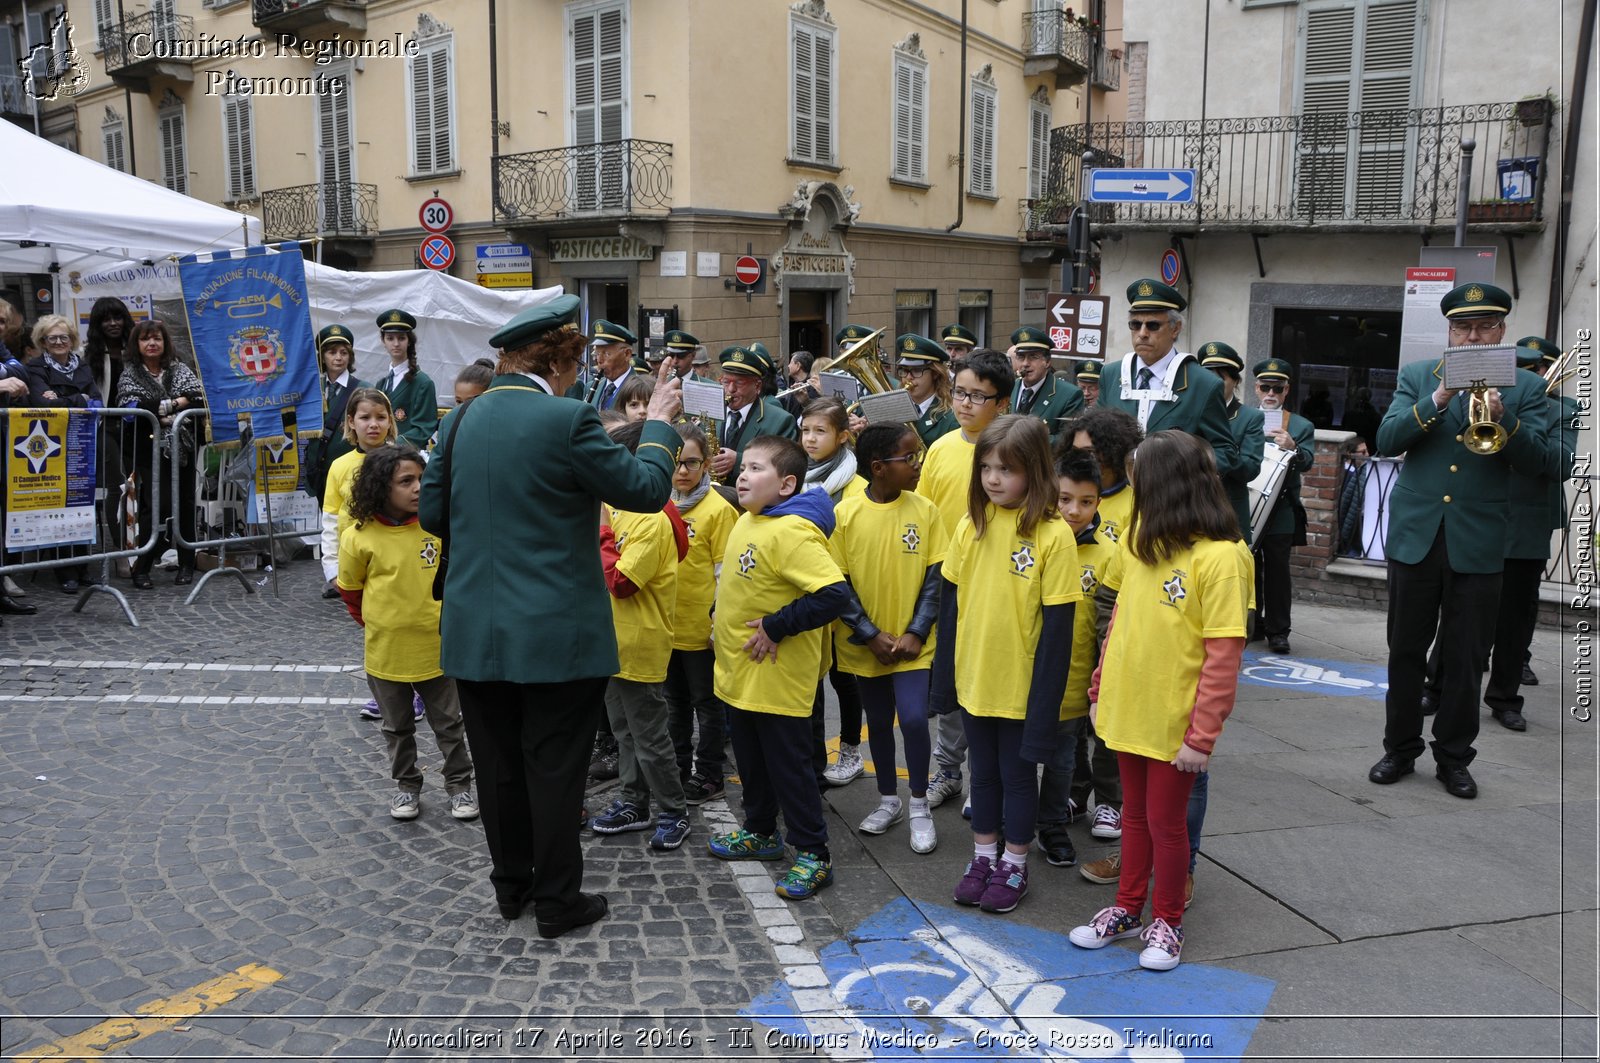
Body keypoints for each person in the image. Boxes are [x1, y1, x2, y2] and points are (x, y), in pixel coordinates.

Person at [419, 294, 683, 937]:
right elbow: (646, 490)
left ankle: (511, 888)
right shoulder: (567, 419)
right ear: (563, 365)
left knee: (499, 766)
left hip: (476, 629)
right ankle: (558, 901)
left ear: (507, 361)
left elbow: (431, 516)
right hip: (554, 633)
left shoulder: (458, 421)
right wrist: (662, 425)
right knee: (554, 767)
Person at [1068, 430, 1250, 972]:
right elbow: (1120, 620)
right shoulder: (1140, 539)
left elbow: (1223, 656)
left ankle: (1166, 920)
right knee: (1135, 819)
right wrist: (1100, 689)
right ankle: (1126, 908)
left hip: (1174, 720)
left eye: (1139, 477)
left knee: (1167, 824)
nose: (1127, 487)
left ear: (1164, 485)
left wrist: (1202, 735)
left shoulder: (1223, 558)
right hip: (1128, 706)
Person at [1368, 282, 1550, 800]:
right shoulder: (1418, 377)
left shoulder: (1527, 389)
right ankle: (1400, 748)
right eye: (1463, 327)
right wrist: (1439, 397)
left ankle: (1454, 758)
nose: (1473, 336)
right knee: (1404, 651)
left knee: (1468, 658)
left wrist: (1504, 416)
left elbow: (1539, 461)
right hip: (1416, 537)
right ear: (1449, 331)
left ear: (1502, 332)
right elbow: (1386, 440)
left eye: (1485, 326)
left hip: (1481, 540)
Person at [931, 415, 1079, 913]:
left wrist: (1045, 703)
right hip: (975, 679)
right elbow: (949, 608)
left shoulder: (1053, 536)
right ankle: (983, 856)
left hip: (1021, 686)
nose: (993, 479)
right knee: (983, 776)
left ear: (1035, 471)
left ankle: (1015, 864)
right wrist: (944, 681)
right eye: (986, 467)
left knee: (1018, 778)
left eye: (1007, 469)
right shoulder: (970, 523)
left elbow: (1058, 630)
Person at [707, 436, 852, 901]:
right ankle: (761, 831)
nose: (743, 476)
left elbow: (833, 594)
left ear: (787, 484)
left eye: (756, 469)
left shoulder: (790, 531)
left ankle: (813, 853)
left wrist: (776, 625)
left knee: (789, 768)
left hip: (777, 680)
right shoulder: (750, 519)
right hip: (739, 675)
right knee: (751, 762)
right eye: (743, 467)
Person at [337, 443, 478, 823]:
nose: (418, 488)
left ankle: (459, 785)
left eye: (422, 479)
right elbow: (351, 592)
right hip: (386, 651)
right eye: (406, 481)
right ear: (382, 487)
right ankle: (406, 786)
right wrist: (380, 624)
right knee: (397, 727)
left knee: (449, 725)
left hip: (437, 647)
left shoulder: (438, 527)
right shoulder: (359, 536)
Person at [831, 422, 947, 852]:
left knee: (914, 718)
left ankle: (919, 802)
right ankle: (887, 799)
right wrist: (869, 633)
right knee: (877, 722)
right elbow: (838, 584)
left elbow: (936, 577)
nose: (918, 465)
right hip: (869, 644)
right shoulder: (845, 515)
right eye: (909, 458)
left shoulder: (926, 510)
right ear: (879, 467)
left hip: (913, 644)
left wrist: (917, 631)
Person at [915, 349, 1014, 812]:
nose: (965, 403)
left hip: (1002, 584)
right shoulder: (940, 448)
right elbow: (927, 515)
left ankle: (985, 779)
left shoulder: (1017, 450)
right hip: (951, 579)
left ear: (1002, 403)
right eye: (960, 393)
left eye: (979, 396)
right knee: (949, 680)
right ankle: (948, 769)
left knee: (992, 681)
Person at [591, 420, 693, 850]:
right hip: (610, 641)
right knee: (623, 731)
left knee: (650, 737)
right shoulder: (616, 506)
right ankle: (633, 799)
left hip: (639, 642)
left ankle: (673, 809)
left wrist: (599, 531)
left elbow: (621, 581)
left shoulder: (651, 518)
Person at [1482, 336, 1576, 730]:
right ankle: (1438, 685)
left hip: (1525, 522)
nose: (1520, 376)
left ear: (1543, 373)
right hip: (1479, 517)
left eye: (1530, 369)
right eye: (1513, 368)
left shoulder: (1563, 410)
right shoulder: (1479, 402)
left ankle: (1505, 696)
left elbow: (1560, 463)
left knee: (1516, 615)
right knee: (1458, 611)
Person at [1035, 447, 1112, 869]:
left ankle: (1051, 826)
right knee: (1023, 758)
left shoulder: (1108, 555)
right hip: (1026, 678)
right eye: (1064, 499)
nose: (1073, 510)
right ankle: (1015, 825)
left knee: (1063, 760)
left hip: (1073, 682)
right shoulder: (1035, 541)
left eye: (1085, 502)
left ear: (1099, 502)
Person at [1095, 279, 1240, 481]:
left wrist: (1183, 470)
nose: (1142, 334)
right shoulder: (1111, 374)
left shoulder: (1203, 384)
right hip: (1116, 499)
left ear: (1175, 328)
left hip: (1173, 501)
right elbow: (1096, 435)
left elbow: (1225, 451)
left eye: (1153, 325)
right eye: (1135, 325)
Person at [664, 420, 737, 804]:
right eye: (676, 463)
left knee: (706, 705)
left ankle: (709, 772)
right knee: (673, 704)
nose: (682, 472)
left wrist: (717, 624)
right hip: (666, 625)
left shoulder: (717, 510)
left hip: (700, 628)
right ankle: (676, 766)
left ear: (707, 464)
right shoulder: (659, 501)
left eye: (691, 463)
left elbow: (725, 573)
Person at [800, 397, 867, 787]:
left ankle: (850, 750)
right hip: (809, 591)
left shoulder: (855, 487)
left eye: (820, 431)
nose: (810, 438)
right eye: (806, 430)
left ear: (842, 436)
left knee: (844, 677)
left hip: (844, 591)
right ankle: (811, 754)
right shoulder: (796, 476)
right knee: (813, 675)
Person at [116, 320, 204, 589]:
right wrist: (177, 404)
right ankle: (142, 567)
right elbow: (131, 408)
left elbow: (198, 394)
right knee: (156, 506)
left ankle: (187, 563)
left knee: (186, 504)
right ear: (137, 344)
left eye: (156, 339)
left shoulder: (179, 368)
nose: (152, 344)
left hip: (184, 447)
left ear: (165, 342)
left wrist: (162, 409)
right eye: (145, 339)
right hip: (149, 450)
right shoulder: (130, 374)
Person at [26, 315, 103, 592]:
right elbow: (39, 402)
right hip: (49, 446)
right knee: (56, 506)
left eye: (64, 337)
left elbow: (96, 401)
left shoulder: (82, 366)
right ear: (42, 342)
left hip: (81, 442)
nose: (59, 342)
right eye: (52, 338)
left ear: (72, 339)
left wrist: (62, 399)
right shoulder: (35, 367)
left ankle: (82, 567)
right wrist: (78, 399)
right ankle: (64, 571)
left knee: (81, 504)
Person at [1250, 358, 1314, 653]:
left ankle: (1278, 630)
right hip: (1249, 504)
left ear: (1287, 390)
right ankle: (1254, 624)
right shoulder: (1246, 419)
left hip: (1281, 509)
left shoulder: (1300, 425)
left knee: (1277, 571)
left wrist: (1294, 447)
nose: (1271, 394)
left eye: (1278, 388)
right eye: (1266, 387)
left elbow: (1309, 462)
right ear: (1256, 389)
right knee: (1249, 567)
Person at [321, 387, 398, 610]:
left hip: (393, 558)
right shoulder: (339, 466)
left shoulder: (402, 461)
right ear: (352, 422)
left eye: (381, 417)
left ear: (390, 421)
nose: (373, 424)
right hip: (354, 558)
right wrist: (332, 569)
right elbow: (331, 519)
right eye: (365, 417)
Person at [1196, 343, 1265, 549]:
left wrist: (1222, 455)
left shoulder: (1250, 417)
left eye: (1221, 379)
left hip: (1227, 509)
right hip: (1189, 507)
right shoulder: (1191, 411)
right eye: (1208, 378)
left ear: (1235, 381)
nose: (1213, 385)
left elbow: (1251, 468)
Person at [709, 345, 797, 484]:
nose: (731, 389)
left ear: (757, 386)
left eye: (739, 383)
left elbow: (785, 466)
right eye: (726, 382)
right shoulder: (710, 416)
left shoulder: (781, 421)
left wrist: (739, 461)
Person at [305, 324, 367, 505]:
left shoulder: (363, 388)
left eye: (344, 352)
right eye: (332, 352)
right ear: (323, 357)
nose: (338, 357)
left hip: (353, 472)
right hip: (320, 471)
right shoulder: (312, 388)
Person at [1008, 327, 1084, 443]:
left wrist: (1025, 439)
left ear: (1047, 362)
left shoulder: (1070, 395)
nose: (1025, 364)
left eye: (1033, 357)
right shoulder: (1009, 387)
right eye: (1021, 357)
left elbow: (1068, 440)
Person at [895, 334, 959, 447]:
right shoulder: (895, 410)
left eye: (917, 370)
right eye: (904, 370)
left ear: (935, 373)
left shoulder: (951, 419)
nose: (909, 377)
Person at [83, 296, 134, 404]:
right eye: (106, 320)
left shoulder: (135, 350)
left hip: (132, 417)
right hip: (102, 417)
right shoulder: (86, 353)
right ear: (97, 325)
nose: (113, 323)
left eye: (117, 318)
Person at [582, 319, 642, 410]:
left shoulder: (642, 388)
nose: (599, 360)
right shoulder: (590, 387)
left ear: (627, 354)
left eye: (606, 354)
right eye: (597, 353)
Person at [1336, 436, 1370, 557]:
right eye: (1363, 452)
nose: (1367, 454)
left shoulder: (1357, 472)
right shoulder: (1348, 474)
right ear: (1350, 454)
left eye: (1367, 450)